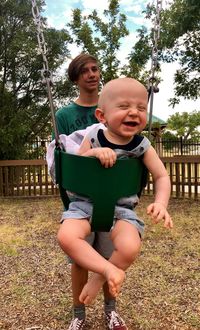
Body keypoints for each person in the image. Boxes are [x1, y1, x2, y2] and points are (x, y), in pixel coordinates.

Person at [57, 77, 173, 309]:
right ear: (102, 116)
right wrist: (94, 153)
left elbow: (161, 176)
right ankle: (107, 271)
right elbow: (77, 167)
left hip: (122, 211)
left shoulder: (143, 146)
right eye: (124, 106)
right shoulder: (93, 137)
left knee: (130, 247)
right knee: (66, 237)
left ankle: (100, 277)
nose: (134, 112)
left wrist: (161, 203)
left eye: (141, 108)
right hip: (84, 206)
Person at [55, 54, 128, 330]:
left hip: (113, 195)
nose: (91, 74)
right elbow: (60, 156)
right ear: (76, 79)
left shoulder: (112, 108)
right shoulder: (64, 116)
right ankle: (79, 314)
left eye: (95, 69)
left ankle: (111, 312)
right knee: (80, 259)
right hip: (81, 197)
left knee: (110, 254)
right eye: (84, 71)